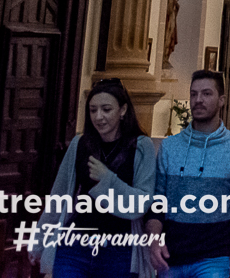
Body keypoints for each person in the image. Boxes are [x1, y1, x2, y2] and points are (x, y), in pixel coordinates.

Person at [33, 79, 157, 278]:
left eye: (106, 109)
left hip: (118, 248)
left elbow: (141, 203)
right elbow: (59, 195)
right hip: (76, 243)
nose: (99, 117)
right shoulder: (80, 143)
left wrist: (108, 179)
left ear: (123, 110)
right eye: (93, 110)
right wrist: (39, 240)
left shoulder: (141, 146)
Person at [147, 70, 230, 278]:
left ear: (221, 100)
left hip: (213, 257)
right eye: (194, 94)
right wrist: (154, 242)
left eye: (206, 94)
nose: (198, 100)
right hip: (172, 255)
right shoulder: (170, 147)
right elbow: (157, 203)